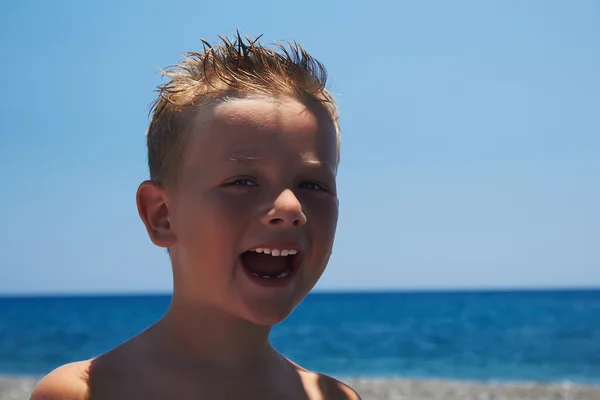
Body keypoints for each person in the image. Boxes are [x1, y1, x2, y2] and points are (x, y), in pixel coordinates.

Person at [30, 33, 360, 400]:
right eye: (243, 181)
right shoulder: (85, 392)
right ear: (162, 215)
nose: (290, 208)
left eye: (312, 185)